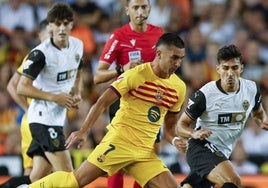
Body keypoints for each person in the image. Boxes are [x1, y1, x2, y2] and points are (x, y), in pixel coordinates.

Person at [26, 32, 187, 188]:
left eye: (181, 59)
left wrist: (174, 140)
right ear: (159, 54)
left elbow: (170, 128)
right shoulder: (136, 75)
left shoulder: (179, 87)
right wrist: (83, 130)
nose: (178, 63)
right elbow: (102, 102)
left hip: (145, 152)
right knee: (74, 181)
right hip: (120, 142)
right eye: (174, 57)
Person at [0, 3, 84, 188]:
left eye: (66, 23)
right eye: (56, 25)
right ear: (48, 28)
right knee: (68, 178)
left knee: (35, 179)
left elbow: (79, 69)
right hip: (40, 120)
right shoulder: (39, 54)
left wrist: (76, 92)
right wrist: (34, 106)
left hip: (55, 119)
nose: (61, 29)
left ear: (72, 25)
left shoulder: (77, 46)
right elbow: (17, 86)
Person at [177, 44, 268, 188]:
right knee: (232, 182)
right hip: (201, 147)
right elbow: (180, 126)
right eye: (225, 68)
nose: (230, 73)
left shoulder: (251, 89)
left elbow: (258, 114)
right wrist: (194, 133)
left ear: (241, 68)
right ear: (218, 69)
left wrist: (263, 122)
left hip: (223, 152)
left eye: (234, 68)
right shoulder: (205, 94)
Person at [93, 0, 163, 187]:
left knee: (150, 155)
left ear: (149, 8)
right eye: (135, 7)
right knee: (117, 158)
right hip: (123, 101)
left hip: (151, 103)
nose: (140, 11)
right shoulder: (118, 36)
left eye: (143, 7)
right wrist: (121, 69)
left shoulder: (159, 35)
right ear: (127, 10)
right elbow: (98, 76)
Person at [6, 19, 50, 177]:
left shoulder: (35, 56)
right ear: (40, 35)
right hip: (39, 120)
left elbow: (12, 84)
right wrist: (28, 108)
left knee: (30, 171)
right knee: (41, 174)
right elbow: (13, 85)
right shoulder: (40, 56)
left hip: (32, 119)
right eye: (49, 34)